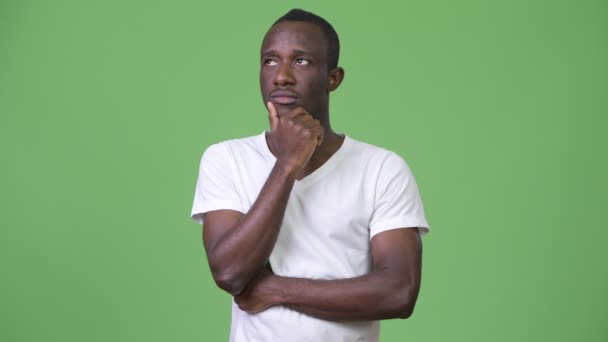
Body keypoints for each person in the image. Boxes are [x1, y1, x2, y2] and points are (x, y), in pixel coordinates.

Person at [190, 8, 430, 342]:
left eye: (301, 61)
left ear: (334, 78)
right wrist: (287, 164)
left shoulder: (382, 169)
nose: (281, 76)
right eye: (270, 61)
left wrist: (276, 290)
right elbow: (230, 272)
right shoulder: (226, 158)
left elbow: (398, 292)